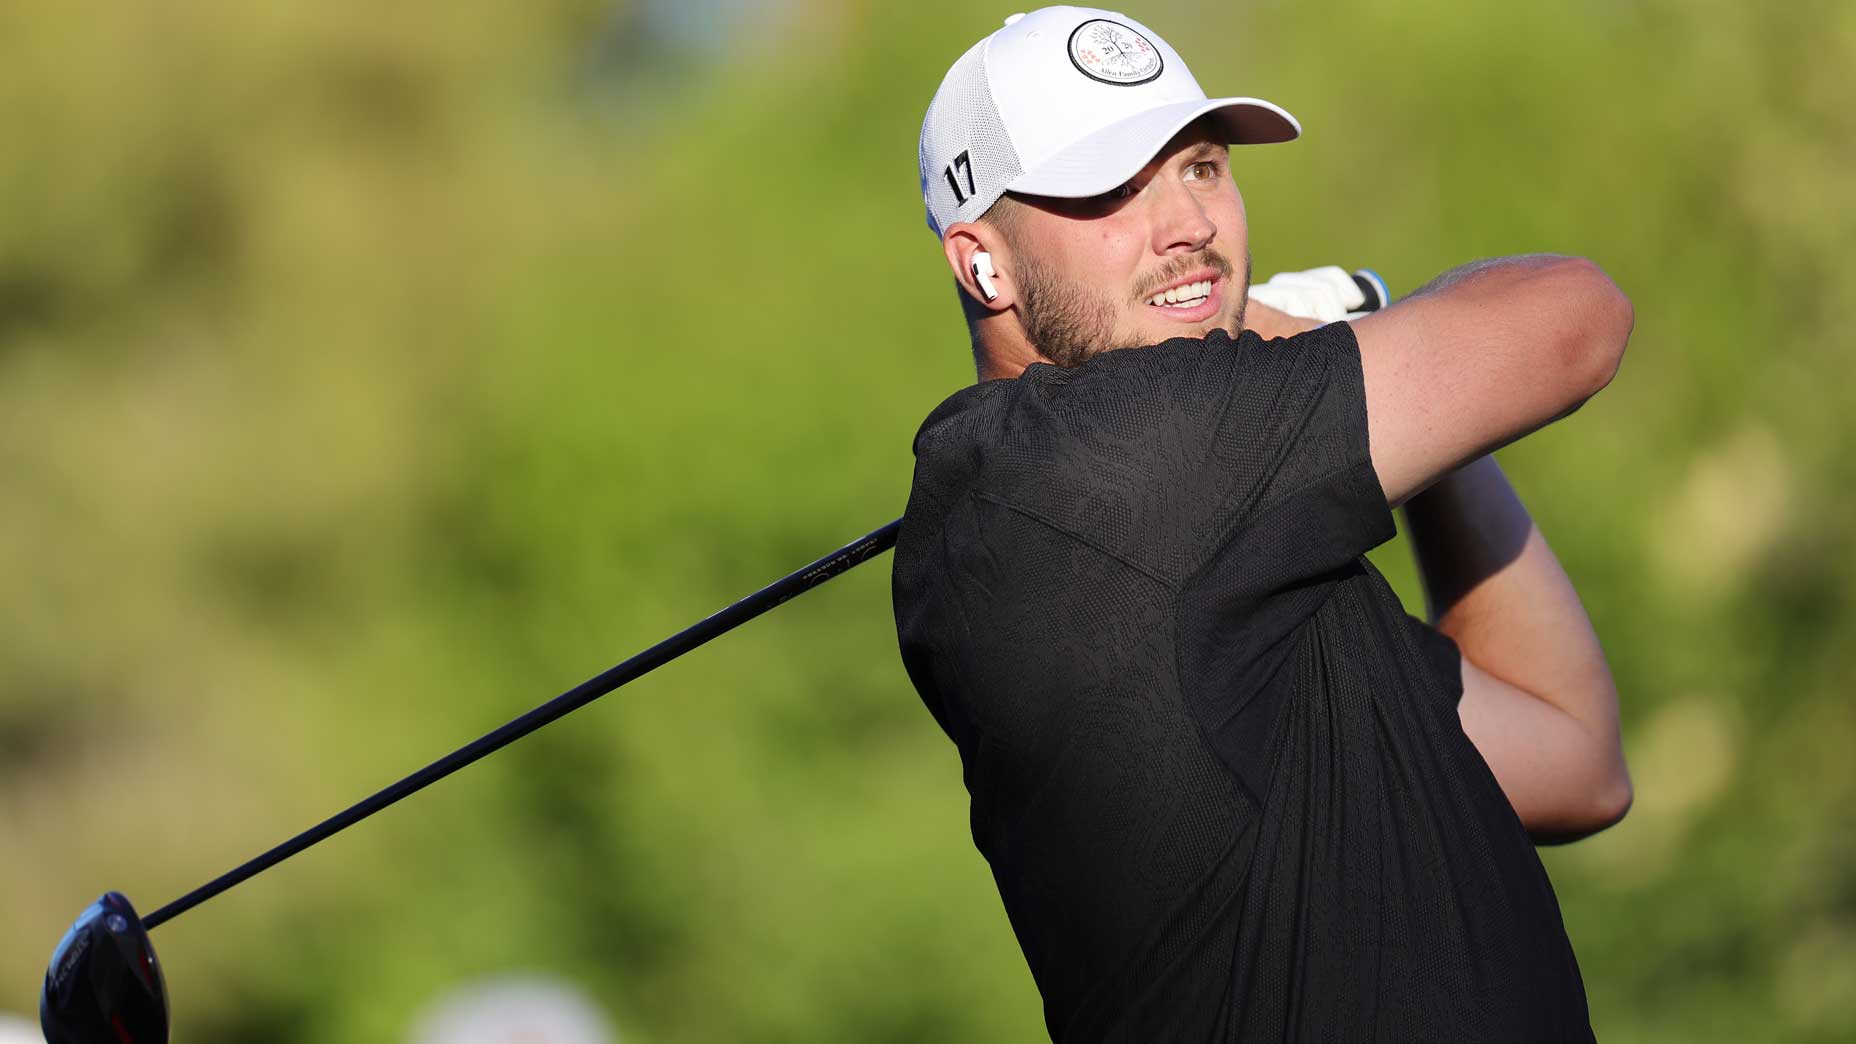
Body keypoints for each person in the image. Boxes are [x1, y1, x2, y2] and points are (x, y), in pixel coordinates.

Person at [892, 7, 1634, 1042]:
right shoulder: (1095, 465)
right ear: (983, 265)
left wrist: (1371, 390)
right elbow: (1575, 313)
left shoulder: (1221, 544)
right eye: (1109, 189)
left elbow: (1576, 762)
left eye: (1199, 167)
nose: (1185, 223)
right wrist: (1351, 318)